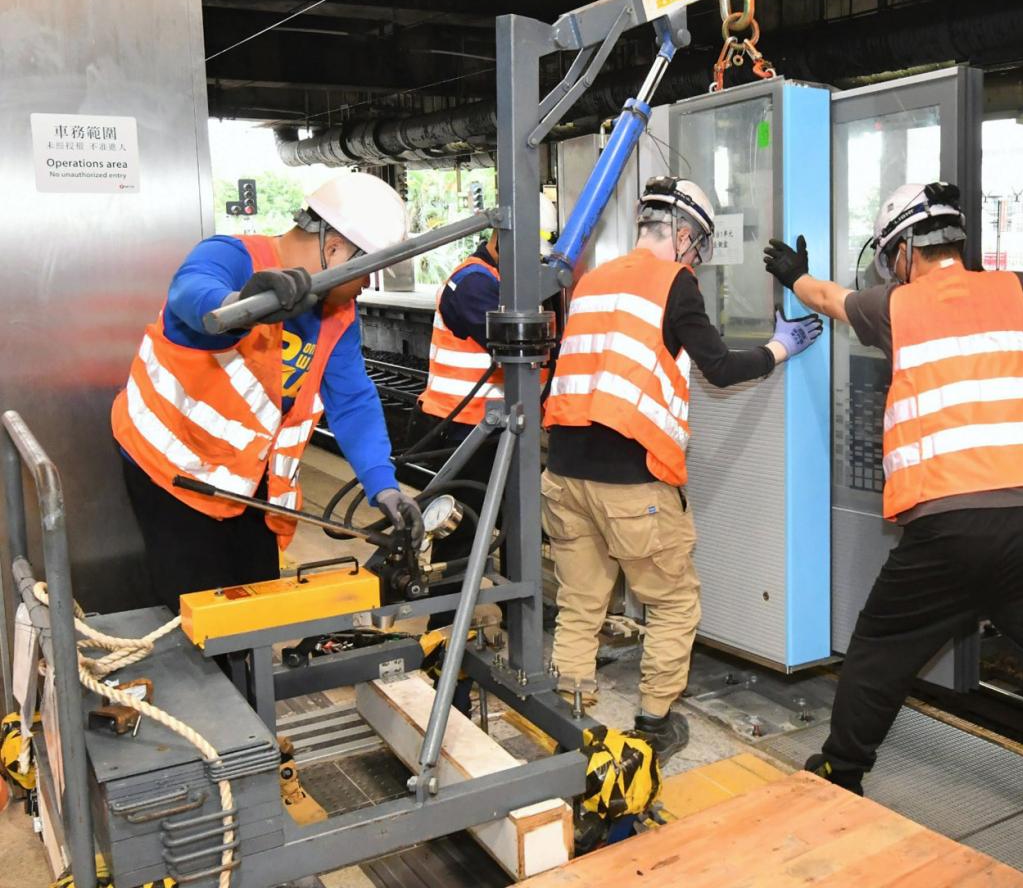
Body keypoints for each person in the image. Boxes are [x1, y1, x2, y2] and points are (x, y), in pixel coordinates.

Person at [762, 182, 1023, 888]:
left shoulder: (897, 305)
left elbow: (828, 301)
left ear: (902, 252)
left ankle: (842, 770)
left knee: (881, 652)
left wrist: (792, 274)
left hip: (946, 530)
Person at [542, 176, 824, 763]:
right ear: (686, 236)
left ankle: (567, 717)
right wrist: (780, 348)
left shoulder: (593, 280)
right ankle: (653, 724)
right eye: (698, 248)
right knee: (673, 603)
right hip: (631, 480)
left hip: (564, 472)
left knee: (581, 600)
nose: (696, 260)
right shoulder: (674, 282)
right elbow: (717, 367)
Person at [113, 173, 424, 611]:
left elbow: (352, 399)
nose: (366, 286)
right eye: (367, 271)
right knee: (200, 612)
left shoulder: (337, 313)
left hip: (248, 484)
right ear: (335, 249)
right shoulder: (231, 256)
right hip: (174, 471)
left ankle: (244, 677)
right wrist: (242, 306)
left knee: (253, 607)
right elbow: (192, 292)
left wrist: (383, 485)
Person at [415, 194, 557, 565]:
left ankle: (516, 614)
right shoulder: (472, 283)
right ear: (499, 238)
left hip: (501, 426)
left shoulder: (505, 282)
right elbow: (516, 345)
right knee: (462, 528)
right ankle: (447, 618)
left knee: (516, 520)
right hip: (464, 428)